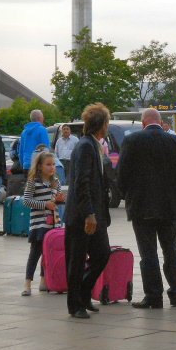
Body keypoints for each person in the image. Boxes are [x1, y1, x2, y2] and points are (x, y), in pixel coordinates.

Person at [116, 108, 176, 309]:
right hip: (170, 207)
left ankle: (153, 296)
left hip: (141, 206)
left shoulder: (132, 141)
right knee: (171, 249)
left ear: (143, 123)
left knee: (148, 252)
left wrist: (127, 195)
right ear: (160, 123)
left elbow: (121, 174)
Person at [63, 103, 112, 319]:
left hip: (95, 214)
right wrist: (89, 214)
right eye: (107, 122)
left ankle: (83, 294)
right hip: (82, 215)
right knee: (76, 260)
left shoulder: (93, 145)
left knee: (102, 254)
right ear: (102, 125)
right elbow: (81, 183)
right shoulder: (85, 146)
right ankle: (75, 305)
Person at [22, 151, 65, 296]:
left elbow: (56, 202)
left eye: (53, 164)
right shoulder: (33, 182)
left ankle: (43, 280)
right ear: (39, 166)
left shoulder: (56, 182)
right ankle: (27, 284)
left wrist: (59, 201)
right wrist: (45, 204)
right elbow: (26, 201)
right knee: (35, 254)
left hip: (53, 224)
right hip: (39, 224)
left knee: (48, 254)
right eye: (48, 164)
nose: (52, 167)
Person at [19, 109, 50, 177]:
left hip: (26, 165)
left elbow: (21, 151)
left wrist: (24, 163)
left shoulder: (23, 132)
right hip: (38, 165)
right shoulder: (42, 130)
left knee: (29, 186)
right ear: (39, 118)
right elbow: (46, 149)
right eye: (43, 117)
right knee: (40, 187)